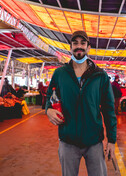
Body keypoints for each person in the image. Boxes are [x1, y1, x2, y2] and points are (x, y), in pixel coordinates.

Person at [46, 30, 117, 176]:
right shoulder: (60, 74)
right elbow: (49, 97)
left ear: (88, 47)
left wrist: (112, 140)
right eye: (75, 43)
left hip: (94, 142)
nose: (79, 46)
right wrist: (48, 110)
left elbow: (109, 109)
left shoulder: (100, 76)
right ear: (70, 47)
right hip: (68, 141)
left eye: (83, 43)